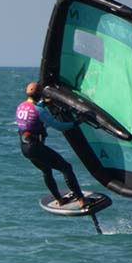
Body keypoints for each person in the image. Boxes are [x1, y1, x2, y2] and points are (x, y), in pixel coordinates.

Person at [17, 81, 86, 209]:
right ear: (39, 94)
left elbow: (33, 113)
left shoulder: (21, 107)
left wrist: (44, 103)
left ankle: (59, 200)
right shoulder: (39, 111)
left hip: (24, 148)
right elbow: (59, 126)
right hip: (35, 147)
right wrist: (76, 123)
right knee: (66, 167)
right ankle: (81, 200)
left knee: (46, 171)